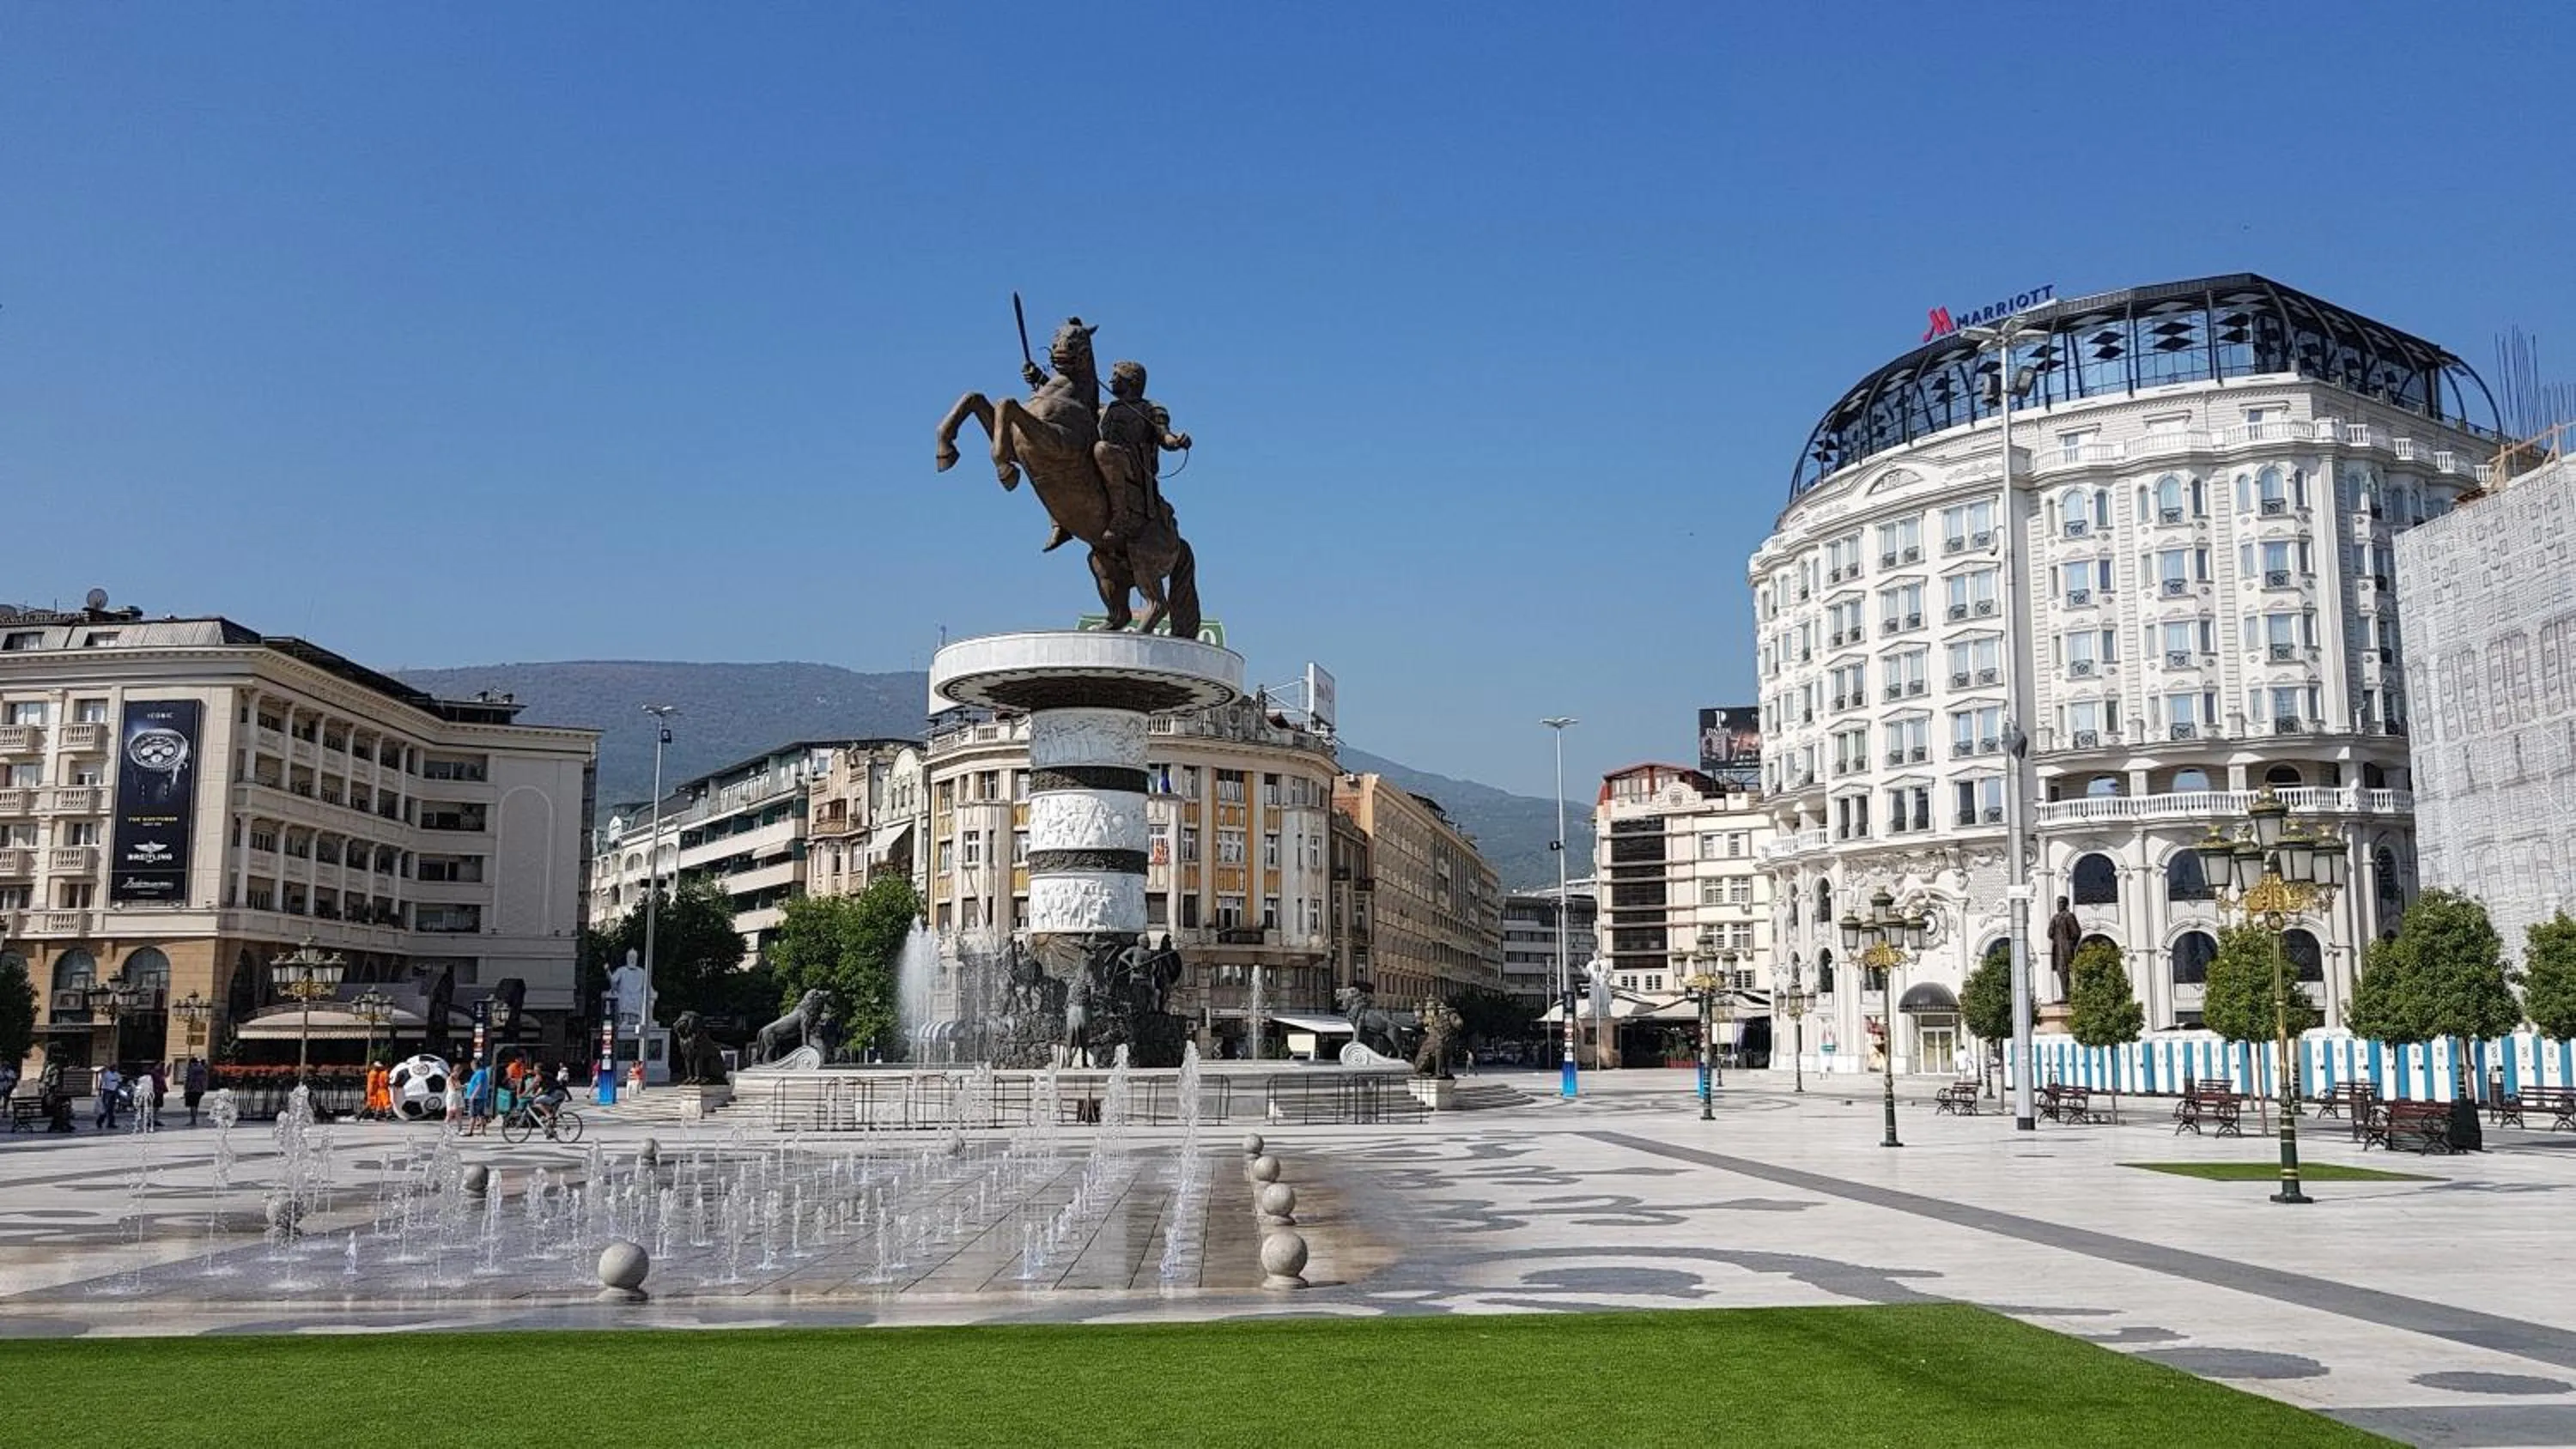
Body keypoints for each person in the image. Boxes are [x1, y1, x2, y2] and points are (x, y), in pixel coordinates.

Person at [1051, 358, 1190, 554]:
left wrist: (1177, 441)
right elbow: (1072, 401)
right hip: (1104, 463)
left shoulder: (1150, 409)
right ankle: (1061, 519)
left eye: (1117, 377)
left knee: (1102, 449)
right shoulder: (1105, 409)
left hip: (1132, 467)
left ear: (1132, 382)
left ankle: (1121, 516)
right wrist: (1039, 378)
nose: (1111, 381)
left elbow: (1164, 435)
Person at [463, 1060, 493, 1136]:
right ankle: (483, 1131)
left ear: (474, 1065)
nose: (471, 1067)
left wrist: (473, 1095)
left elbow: (479, 1085)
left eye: (472, 1065)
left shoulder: (480, 1073)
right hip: (480, 1097)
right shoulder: (481, 1072)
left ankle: (470, 1131)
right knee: (481, 1115)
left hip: (477, 1097)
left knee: (473, 1115)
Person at [95, 1064, 124, 1131]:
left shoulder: (117, 1074)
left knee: (112, 1108)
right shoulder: (106, 1074)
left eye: (115, 1067)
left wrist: (118, 1090)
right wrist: (100, 1092)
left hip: (114, 1092)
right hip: (107, 1092)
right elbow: (102, 1083)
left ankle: (111, 1123)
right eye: (113, 1067)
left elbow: (120, 1081)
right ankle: (99, 1122)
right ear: (111, 1068)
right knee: (106, 1108)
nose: (115, 1069)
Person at [183, 1057, 208, 1126]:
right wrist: (203, 1089)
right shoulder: (203, 1069)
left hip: (192, 1089)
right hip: (200, 1090)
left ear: (191, 1063)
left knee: (192, 1105)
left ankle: (193, 1121)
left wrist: (187, 1089)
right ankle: (194, 1120)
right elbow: (205, 1080)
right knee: (196, 1105)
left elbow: (190, 1079)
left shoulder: (191, 1069)